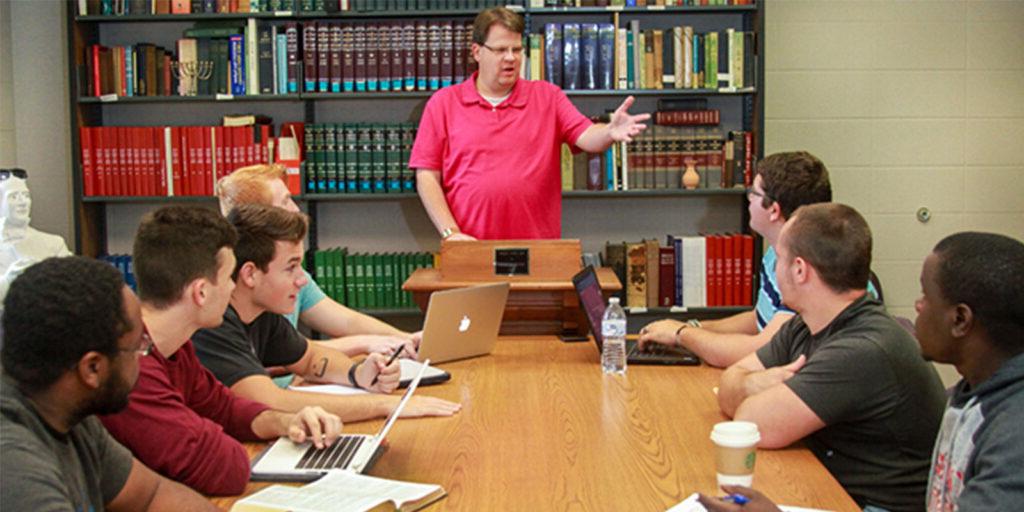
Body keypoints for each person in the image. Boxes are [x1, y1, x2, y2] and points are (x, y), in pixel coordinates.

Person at [697, 232, 1024, 512]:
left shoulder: (1013, 435)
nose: (918, 306)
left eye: (926, 296)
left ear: (960, 320)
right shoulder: (975, 391)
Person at [98, 206, 343, 496]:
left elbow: (224, 407)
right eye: (228, 278)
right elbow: (223, 468)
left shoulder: (175, 348)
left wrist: (286, 421)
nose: (232, 289)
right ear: (200, 292)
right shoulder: (132, 370)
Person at [717, 203, 945, 512]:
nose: (774, 268)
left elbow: (750, 422)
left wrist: (748, 389)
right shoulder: (806, 324)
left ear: (799, 269)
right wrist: (757, 384)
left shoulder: (862, 349)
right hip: (833, 487)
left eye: (779, 259)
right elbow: (729, 381)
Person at [191, 204, 461, 421]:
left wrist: (358, 374)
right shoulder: (214, 322)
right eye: (291, 267)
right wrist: (385, 405)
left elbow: (309, 358)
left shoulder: (261, 313)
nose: (302, 279)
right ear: (250, 274)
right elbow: (271, 402)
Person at [409, 6, 650, 241]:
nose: (511, 58)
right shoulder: (443, 103)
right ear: (476, 52)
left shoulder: (548, 97)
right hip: (469, 249)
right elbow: (427, 177)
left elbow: (587, 136)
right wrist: (451, 233)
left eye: (517, 49)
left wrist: (609, 131)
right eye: (501, 49)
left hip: (537, 250)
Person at [1, 256, 218, 511]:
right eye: (138, 347)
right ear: (92, 368)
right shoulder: (14, 468)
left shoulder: (70, 414)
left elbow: (153, 495)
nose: (143, 358)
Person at [640, 151, 845, 368]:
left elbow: (762, 351)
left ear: (774, 210)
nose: (748, 198)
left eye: (753, 193)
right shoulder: (775, 254)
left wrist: (682, 334)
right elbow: (759, 319)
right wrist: (693, 328)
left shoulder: (805, 273)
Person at [216, 164, 417, 360]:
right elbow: (288, 356)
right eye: (286, 201)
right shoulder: (237, 301)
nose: (296, 209)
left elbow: (344, 321)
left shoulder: (291, 276)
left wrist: (406, 338)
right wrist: (366, 343)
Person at [0, 168, 71, 302]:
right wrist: (8, 281)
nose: (22, 202)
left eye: (26, 196)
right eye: (13, 196)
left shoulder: (53, 244)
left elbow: (72, 288)